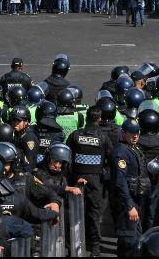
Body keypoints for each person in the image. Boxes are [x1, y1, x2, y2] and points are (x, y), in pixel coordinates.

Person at [66, 106, 112, 256]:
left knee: (74, 212)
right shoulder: (103, 137)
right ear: (100, 119)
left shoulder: (75, 135)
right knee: (94, 213)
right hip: (95, 180)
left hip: (76, 179)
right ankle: (95, 247)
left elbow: (67, 157)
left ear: (86, 117)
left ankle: (72, 245)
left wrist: (72, 177)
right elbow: (110, 158)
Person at [112, 119, 151, 254]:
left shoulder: (133, 148)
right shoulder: (121, 152)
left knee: (134, 240)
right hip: (126, 203)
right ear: (123, 133)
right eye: (131, 133)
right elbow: (120, 181)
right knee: (129, 241)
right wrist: (130, 206)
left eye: (137, 133)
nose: (135, 136)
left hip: (135, 201)